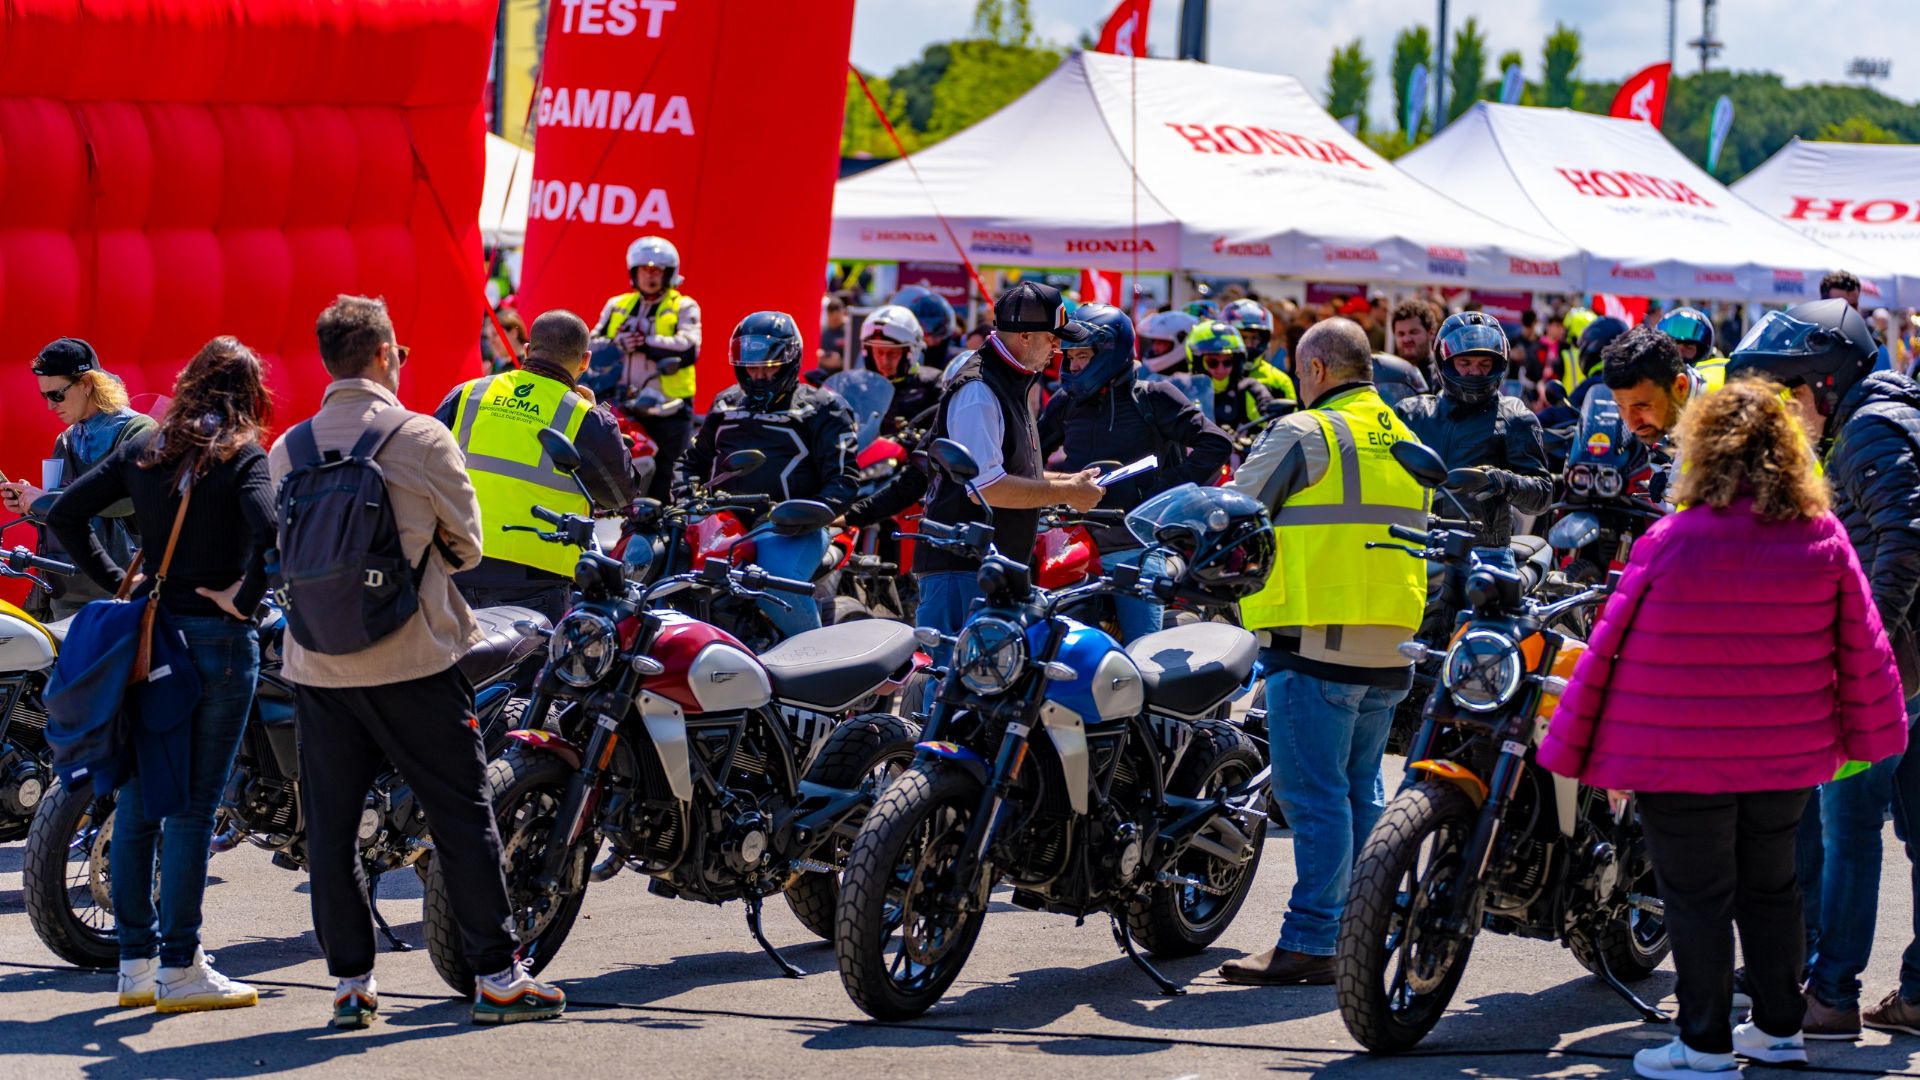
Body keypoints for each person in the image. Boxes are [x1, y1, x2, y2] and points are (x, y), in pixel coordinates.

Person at [1537, 378, 1906, 1078]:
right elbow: (1864, 645)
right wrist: (1872, 733)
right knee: (1772, 889)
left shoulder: (1671, 537)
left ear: (1701, 450)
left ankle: (1703, 1042)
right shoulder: (1823, 538)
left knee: (1697, 895)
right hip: (1785, 757)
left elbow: (1612, 647)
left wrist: (1582, 746)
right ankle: (1776, 1030)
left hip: (1681, 756)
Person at [277, 295, 564, 1028]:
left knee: (333, 830)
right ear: (382, 355)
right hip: (413, 660)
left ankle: (349, 985)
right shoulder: (420, 437)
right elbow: (468, 545)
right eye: (397, 352)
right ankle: (497, 976)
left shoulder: (291, 449)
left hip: (317, 666)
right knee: (463, 815)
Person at [46, 336, 276, 1013]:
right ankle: (182, 966)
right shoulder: (241, 454)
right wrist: (247, 596)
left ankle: (137, 967)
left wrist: (119, 581)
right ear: (249, 393)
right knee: (194, 808)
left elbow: (63, 512)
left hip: (151, 639)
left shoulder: (147, 450)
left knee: (143, 801)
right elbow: (272, 529)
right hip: (216, 643)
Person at [1726, 298, 1920, 1041]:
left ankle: (1831, 995)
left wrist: (1860, 648)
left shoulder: (1870, 431)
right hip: (1910, 663)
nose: (1786, 411)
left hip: (1889, 670)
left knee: (1846, 832)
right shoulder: (1890, 415)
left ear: (1826, 383)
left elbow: (1904, 542)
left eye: (1790, 392)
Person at [1219, 317, 1428, 986]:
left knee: (1312, 797)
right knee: (1359, 793)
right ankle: (1362, 930)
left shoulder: (1304, 431)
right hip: (1390, 642)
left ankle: (1311, 940)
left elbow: (1228, 512)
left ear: (1313, 372)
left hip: (1316, 637)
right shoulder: (1401, 435)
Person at [862, 282, 1103, 670]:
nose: (1058, 349)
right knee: (948, 687)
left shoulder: (1008, 378)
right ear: (1025, 337)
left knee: (982, 694)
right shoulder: (980, 389)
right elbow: (986, 487)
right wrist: (1066, 493)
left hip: (986, 566)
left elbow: (1011, 471)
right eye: (1051, 339)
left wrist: (1068, 482)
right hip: (962, 568)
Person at [1038, 304, 1232, 642]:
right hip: (1073, 542)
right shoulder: (1064, 403)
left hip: (1136, 545)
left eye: (1082, 356)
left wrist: (1164, 492)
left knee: (1141, 651)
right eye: (1070, 358)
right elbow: (1026, 454)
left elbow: (1215, 443)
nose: (1074, 365)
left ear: (1111, 352)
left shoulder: (1153, 396)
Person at [437, 310, 637, 620]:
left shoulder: (468, 393)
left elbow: (424, 462)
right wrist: (600, 414)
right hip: (533, 581)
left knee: (453, 668)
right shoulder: (586, 417)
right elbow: (620, 496)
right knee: (525, 669)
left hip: (453, 564)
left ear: (528, 350)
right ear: (585, 361)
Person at [677, 311, 858, 640]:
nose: (758, 375)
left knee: (773, 582)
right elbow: (692, 461)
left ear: (790, 362)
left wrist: (803, 514)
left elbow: (844, 482)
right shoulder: (725, 403)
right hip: (720, 526)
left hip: (789, 529)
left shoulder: (824, 408)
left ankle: (815, 666)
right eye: (750, 367)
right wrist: (684, 495)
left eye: (768, 367)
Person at [2, 338, 155, 619]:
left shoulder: (139, 430)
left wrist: (47, 498)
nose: (50, 406)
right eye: (44, 396)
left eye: (57, 395)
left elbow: (129, 502)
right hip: (63, 588)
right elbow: (60, 516)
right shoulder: (67, 438)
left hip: (120, 589)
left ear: (86, 383)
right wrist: (30, 502)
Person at [1394, 311, 1552, 546]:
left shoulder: (1515, 417)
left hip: (1484, 553)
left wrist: (1501, 482)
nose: (1475, 372)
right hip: (1416, 544)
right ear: (1446, 362)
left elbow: (1542, 495)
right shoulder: (1411, 414)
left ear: (1498, 364)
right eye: (1465, 363)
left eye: (1484, 364)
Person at [593, 234, 699, 501]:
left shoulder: (683, 305)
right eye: (644, 269)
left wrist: (645, 343)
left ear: (668, 274)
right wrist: (617, 341)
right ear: (634, 272)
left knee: (667, 480)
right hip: (623, 405)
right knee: (618, 470)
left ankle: (664, 532)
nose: (649, 276)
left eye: (656, 270)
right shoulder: (617, 304)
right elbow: (592, 344)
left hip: (668, 410)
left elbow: (689, 347)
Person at [1604, 324, 1723, 449]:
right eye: (1620, 406)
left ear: (1680, 387)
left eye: (1642, 406)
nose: (1632, 426)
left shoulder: (1725, 420)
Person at [1183, 320, 1295, 432]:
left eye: (1228, 362)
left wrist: (1271, 412)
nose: (1220, 369)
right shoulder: (1183, 387)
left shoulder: (1247, 385)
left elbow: (1264, 400)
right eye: (1212, 362)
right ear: (1197, 362)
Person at [854, 303, 943, 433]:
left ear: (911, 353)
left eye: (892, 353)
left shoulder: (932, 384)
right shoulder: (858, 387)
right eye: (879, 352)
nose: (884, 361)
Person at [891, 285, 961, 374]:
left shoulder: (956, 361)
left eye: (937, 332)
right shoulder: (902, 357)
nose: (930, 340)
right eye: (924, 332)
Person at [1389, 298, 1440, 378]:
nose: (1406, 339)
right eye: (1401, 334)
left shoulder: (1443, 376)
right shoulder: (1390, 374)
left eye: (1413, 332)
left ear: (1431, 333)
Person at [1137, 310, 1199, 375]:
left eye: (1161, 342)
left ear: (1182, 339)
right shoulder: (1147, 373)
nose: (1154, 348)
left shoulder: (1193, 373)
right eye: (1154, 341)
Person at [818, 294, 850, 371]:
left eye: (837, 319)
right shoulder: (823, 333)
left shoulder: (849, 332)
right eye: (832, 319)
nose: (834, 322)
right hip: (824, 376)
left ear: (843, 313)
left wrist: (841, 362)